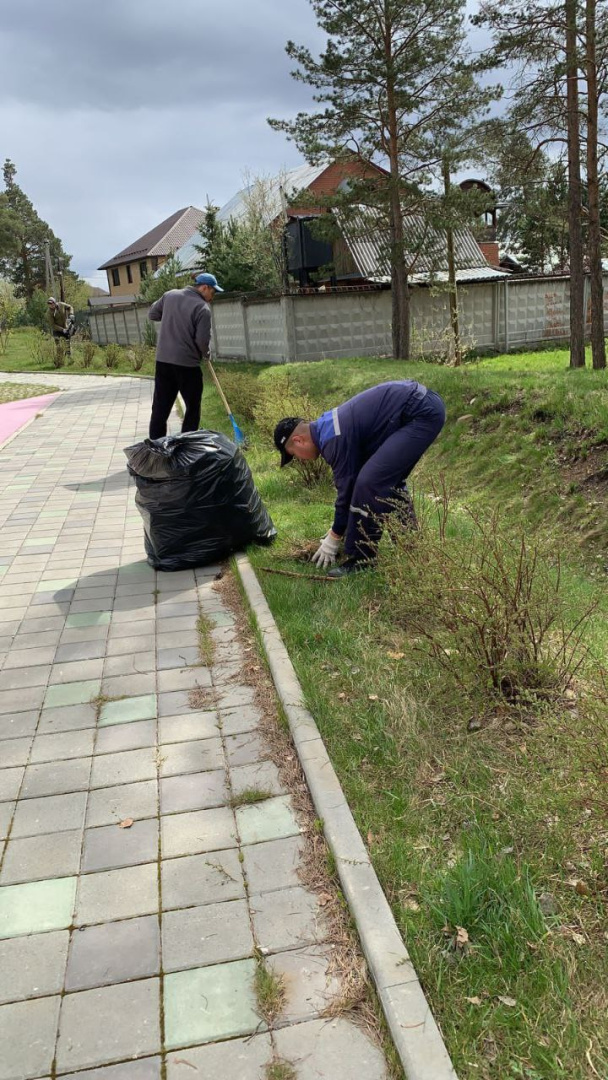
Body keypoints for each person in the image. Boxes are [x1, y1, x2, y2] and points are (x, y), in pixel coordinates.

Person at [274, 379, 446, 578]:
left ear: (298, 440)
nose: (300, 461)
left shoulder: (332, 438)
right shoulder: (326, 428)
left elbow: (347, 491)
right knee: (384, 481)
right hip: (420, 406)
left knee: (369, 482)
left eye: (294, 455)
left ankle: (362, 559)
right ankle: (411, 548)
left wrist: (334, 536)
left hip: (419, 412)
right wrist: (337, 529)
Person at [147, 271, 223, 440]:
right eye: (213, 291)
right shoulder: (202, 308)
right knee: (193, 407)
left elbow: (152, 314)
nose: (213, 296)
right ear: (204, 287)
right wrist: (207, 354)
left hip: (163, 362)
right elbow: (202, 340)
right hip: (187, 366)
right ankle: (187, 447)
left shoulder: (170, 296)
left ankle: (155, 448)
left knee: (160, 407)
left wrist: (170, 316)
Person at [47, 296, 75, 361]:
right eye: (49, 304)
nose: (51, 305)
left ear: (55, 302)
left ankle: (69, 358)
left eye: (51, 303)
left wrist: (71, 314)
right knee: (59, 346)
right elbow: (53, 325)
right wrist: (62, 330)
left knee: (67, 343)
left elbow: (70, 307)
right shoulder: (49, 313)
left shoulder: (61, 305)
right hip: (57, 330)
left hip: (66, 326)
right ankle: (60, 360)